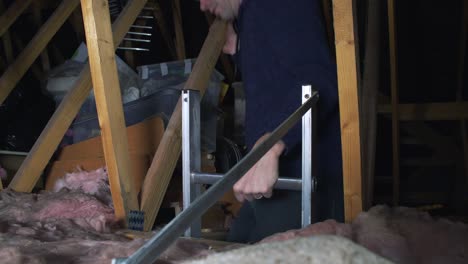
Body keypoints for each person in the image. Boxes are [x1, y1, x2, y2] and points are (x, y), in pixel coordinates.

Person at [200, 0, 344, 243]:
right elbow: (275, 81)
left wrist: (273, 143)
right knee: (233, 246)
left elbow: (320, 81)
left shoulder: (277, 4)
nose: (203, 4)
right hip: (276, 179)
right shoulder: (253, 13)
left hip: (303, 177)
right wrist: (238, 50)